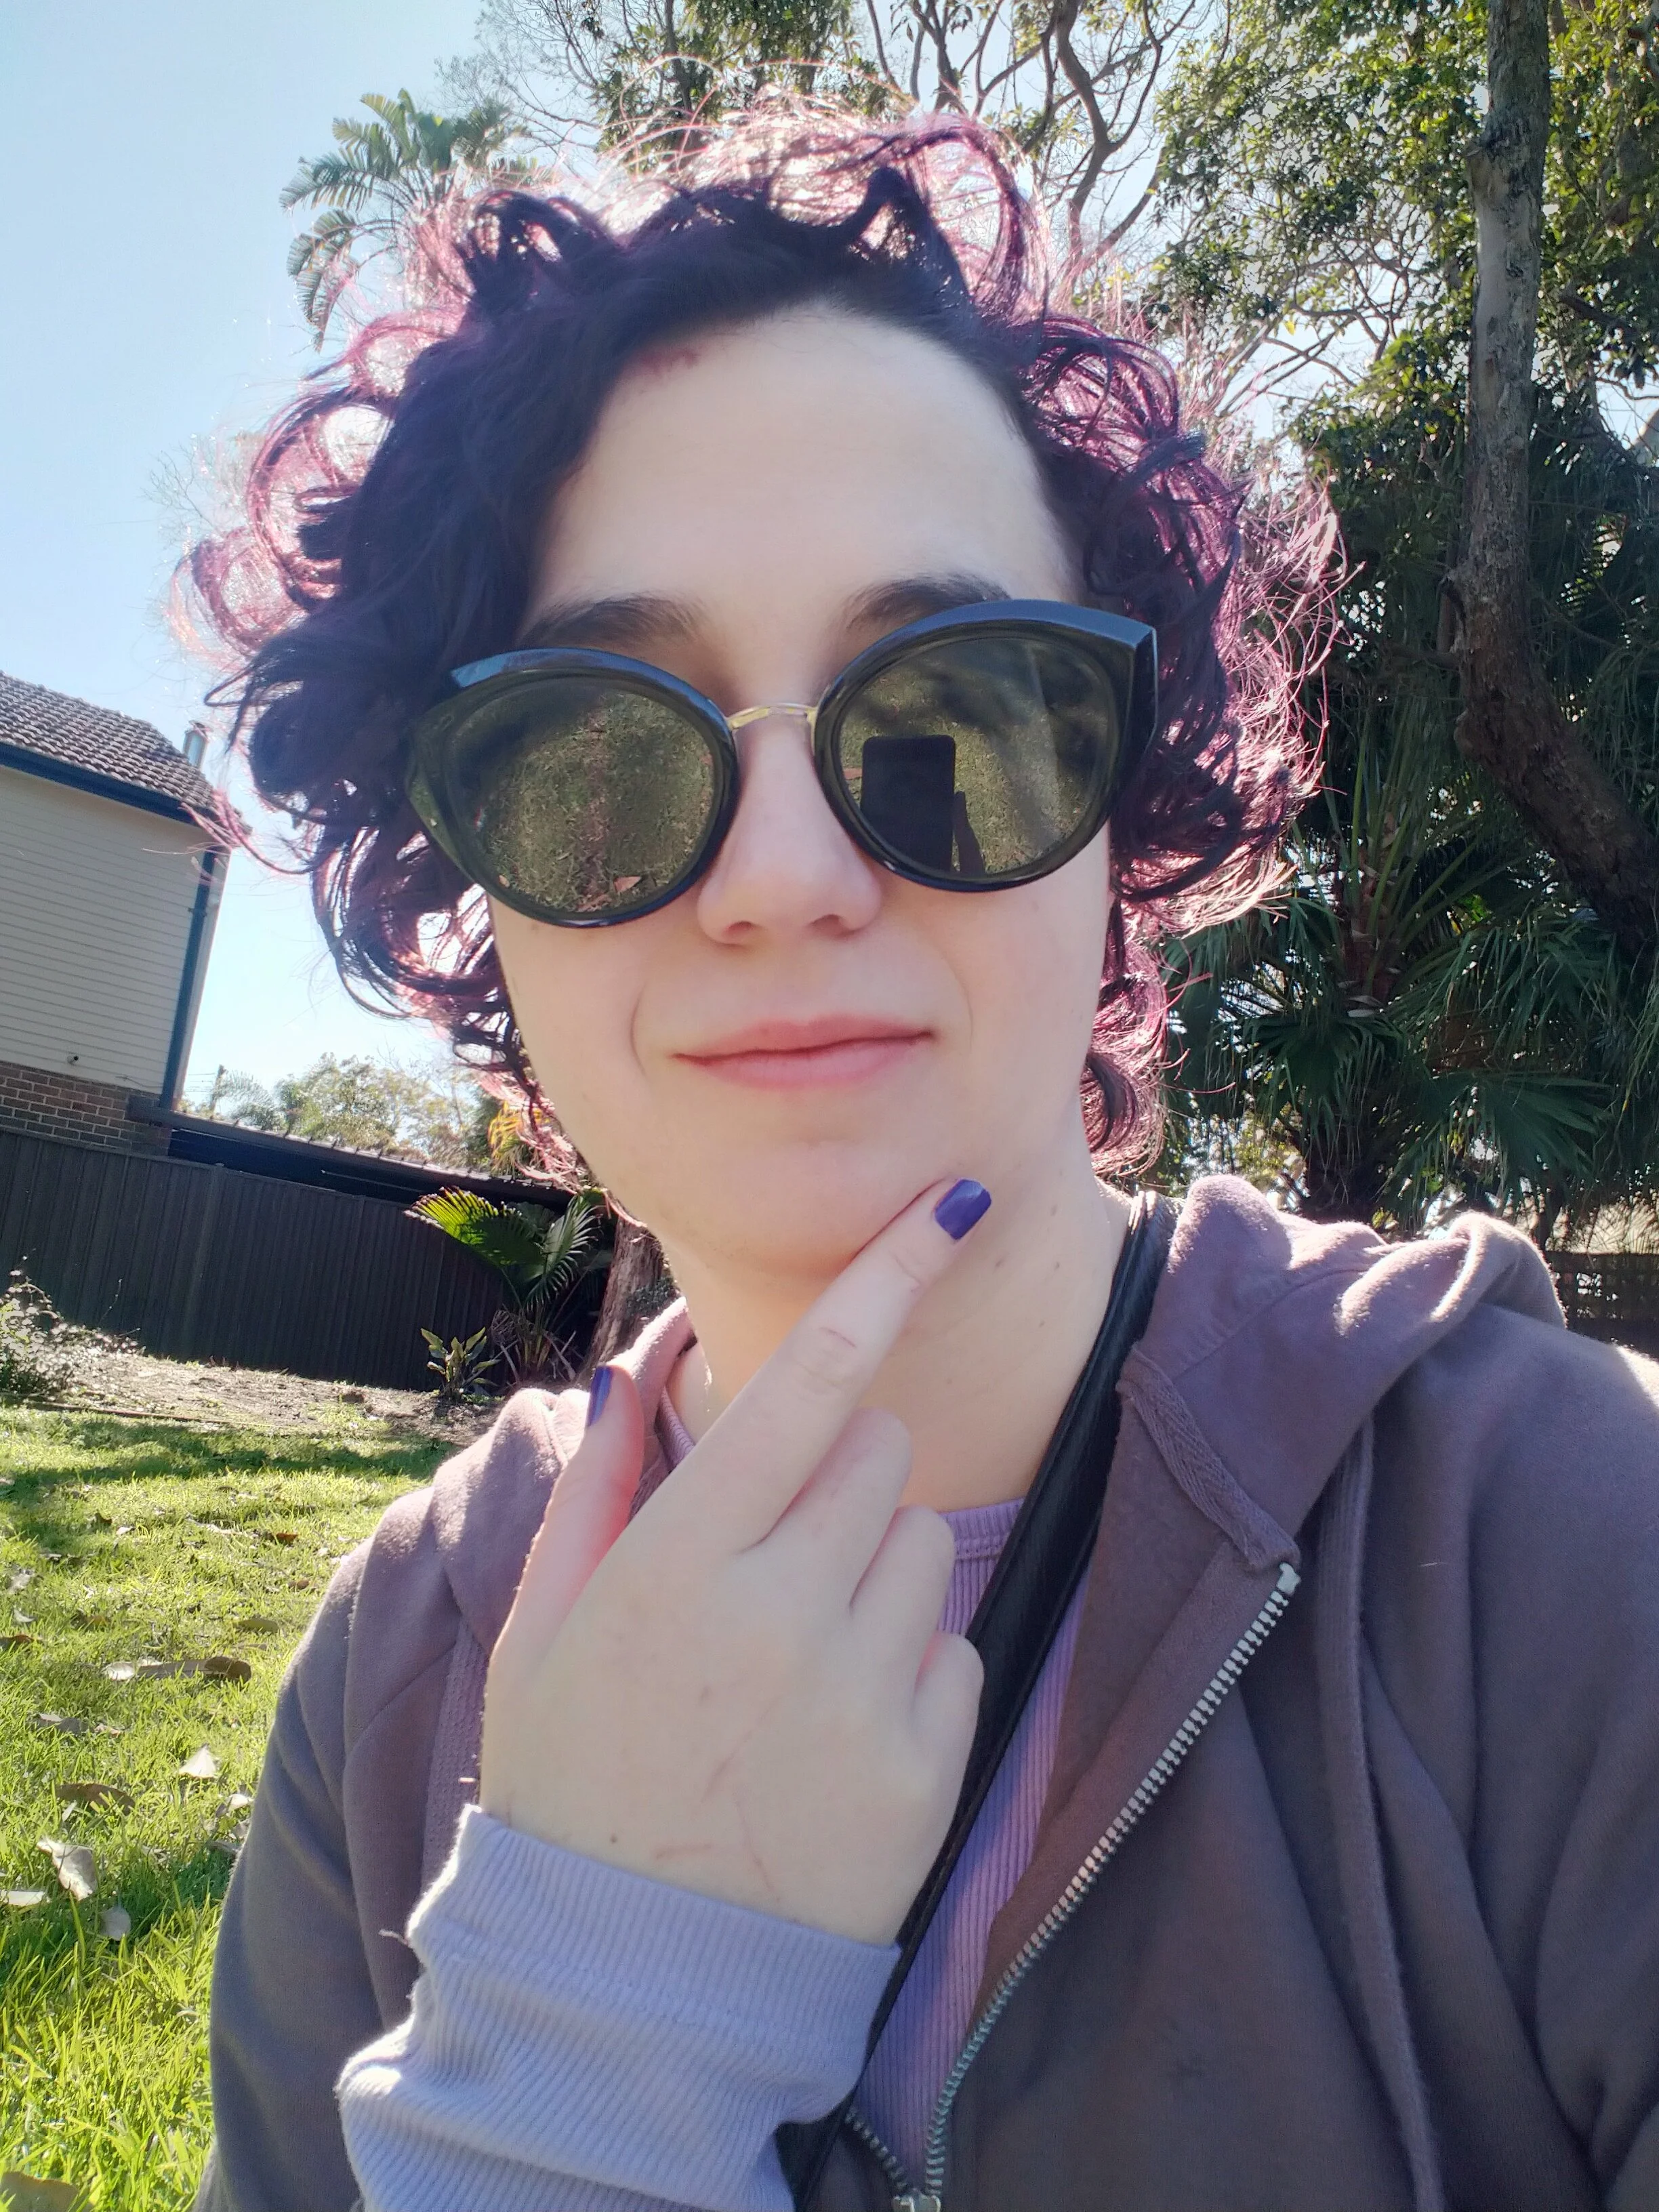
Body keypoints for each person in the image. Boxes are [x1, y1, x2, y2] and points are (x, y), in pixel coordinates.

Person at [187, 109, 1659, 2212]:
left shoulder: (1575, 1545)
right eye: (600, 750)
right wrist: (582, 2048)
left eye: (953, 718)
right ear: (469, 878)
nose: (785, 878)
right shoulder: (396, 1670)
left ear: (1124, 827)